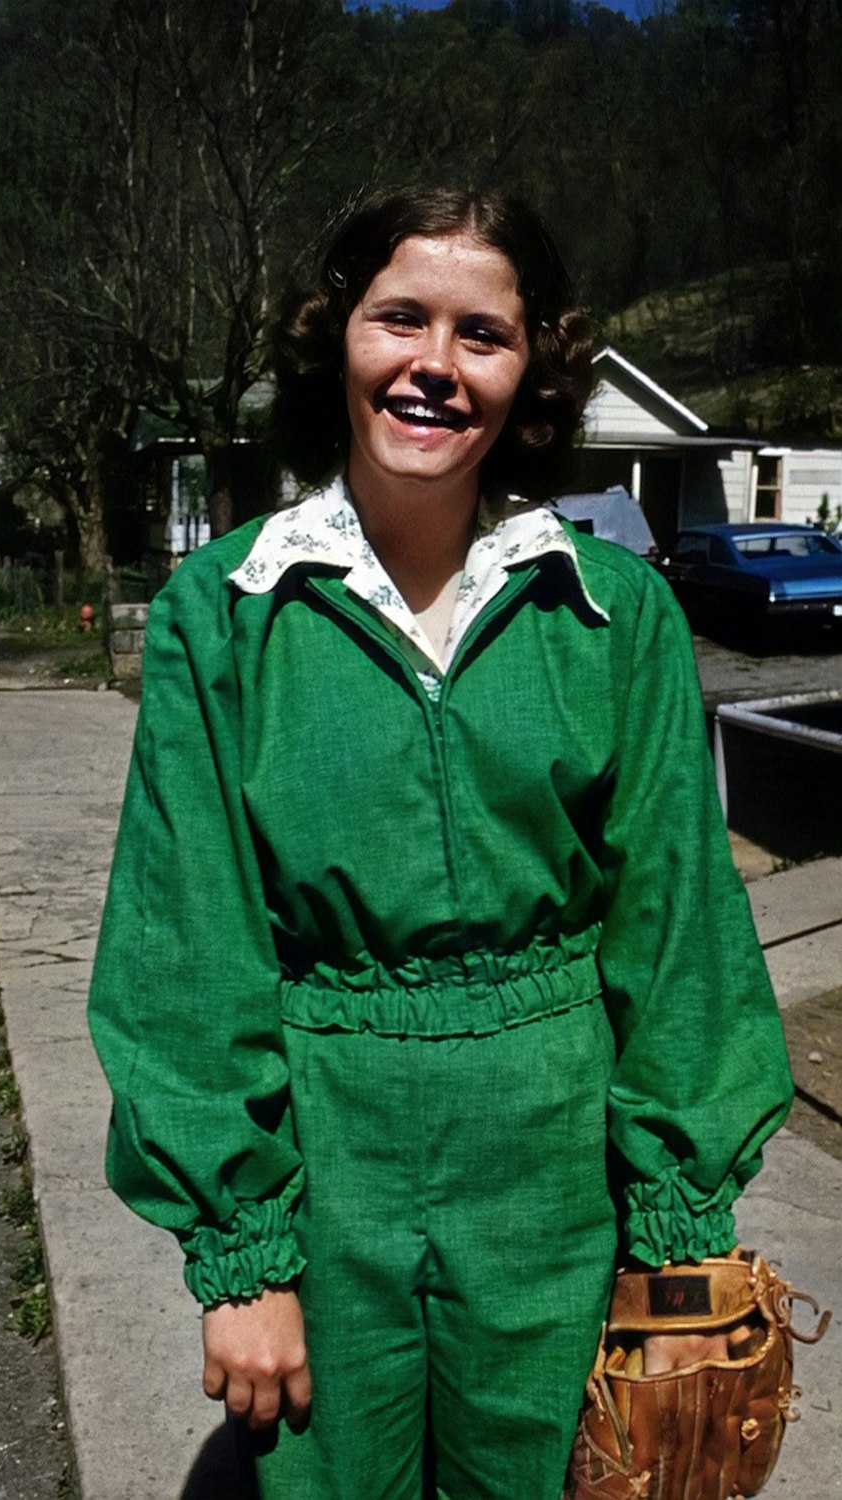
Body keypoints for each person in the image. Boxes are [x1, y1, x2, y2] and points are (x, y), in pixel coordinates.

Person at [88, 188, 793, 1500]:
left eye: (484, 333)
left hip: (556, 1171)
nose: (436, 364)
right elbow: (186, 944)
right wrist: (245, 1263)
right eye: (398, 318)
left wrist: (679, 1231)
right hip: (329, 1155)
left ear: (531, 369)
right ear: (336, 342)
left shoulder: (612, 612)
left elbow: (678, 932)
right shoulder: (223, 613)